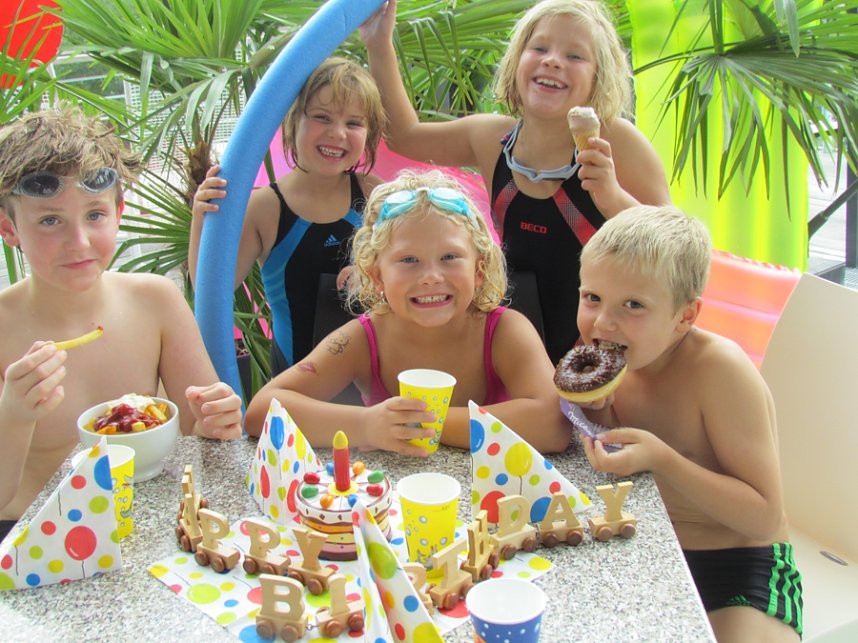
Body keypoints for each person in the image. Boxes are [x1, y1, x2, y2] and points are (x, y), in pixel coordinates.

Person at [361, 0, 672, 365]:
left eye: (575, 56)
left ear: (598, 78)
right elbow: (404, 136)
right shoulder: (491, 139)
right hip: (518, 346)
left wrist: (613, 198)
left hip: (601, 345)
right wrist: (378, 42)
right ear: (516, 63)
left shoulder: (618, 143)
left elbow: (675, 252)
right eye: (539, 48)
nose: (553, 60)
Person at [0, 106, 243, 542]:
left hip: (145, 527)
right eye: (50, 220)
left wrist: (214, 422)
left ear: (118, 211)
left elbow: (197, 427)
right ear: (9, 227)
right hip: (31, 541)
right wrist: (14, 415)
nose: (79, 242)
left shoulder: (155, 300)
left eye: (94, 215)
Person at [577, 205, 802, 641]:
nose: (604, 321)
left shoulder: (720, 372)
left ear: (685, 316)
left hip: (740, 566)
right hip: (649, 552)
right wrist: (599, 412)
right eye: (592, 298)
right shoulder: (609, 353)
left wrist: (665, 461)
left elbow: (763, 516)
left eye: (634, 305)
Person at [245, 169, 573, 455]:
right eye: (408, 260)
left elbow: (553, 425)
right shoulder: (362, 339)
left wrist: (416, 425)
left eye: (449, 257)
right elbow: (262, 410)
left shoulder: (505, 331)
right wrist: (369, 425)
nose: (431, 276)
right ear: (377, 277)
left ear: (479, 270)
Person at [190, 57, 386, 375]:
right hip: (297, 382)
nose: (337, 133)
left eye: (353, 123)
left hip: (371, 375)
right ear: (293, 121)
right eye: (322, 117)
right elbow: (210, 290)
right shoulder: (266, 207)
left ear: (369, 132)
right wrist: (202, 220)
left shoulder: (373, 194)